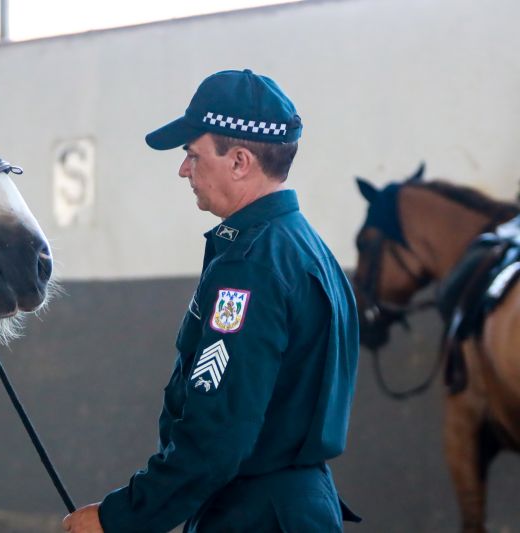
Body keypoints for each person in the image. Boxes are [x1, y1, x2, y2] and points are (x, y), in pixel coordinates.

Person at [62, 69, 361, 532]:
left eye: (192, 154)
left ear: (239, 161)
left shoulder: (251, 265)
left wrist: (118, 519)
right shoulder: (308, 249)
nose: (184, 169)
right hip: (298, 507)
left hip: (251, 515)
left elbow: (217, 436)